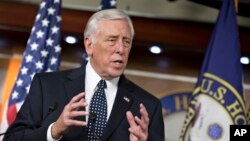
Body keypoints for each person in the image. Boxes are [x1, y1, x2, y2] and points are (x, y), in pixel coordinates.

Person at [3, 9, 164, 141]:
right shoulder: (47, 86)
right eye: (112, 40)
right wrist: (54, 130)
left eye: (126, 42)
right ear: (89, 45)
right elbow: (11, 139)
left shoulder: (148, 106)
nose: (121, 49)